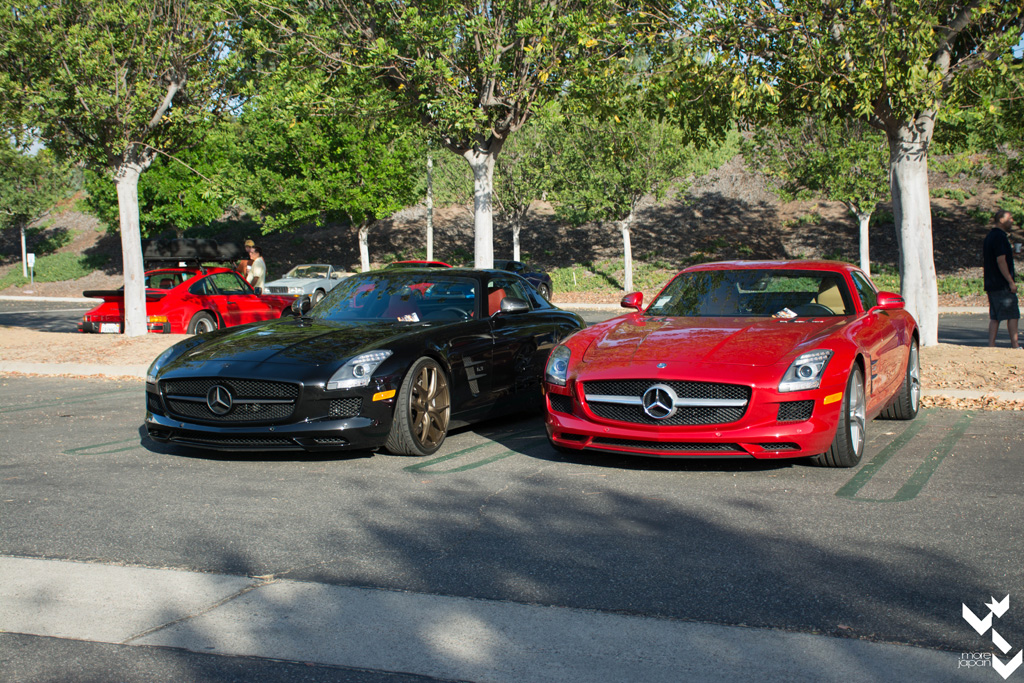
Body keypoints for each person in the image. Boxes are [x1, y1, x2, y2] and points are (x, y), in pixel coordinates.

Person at [982, 209, 1019, 348]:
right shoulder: (1000, 237)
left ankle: (991, 345)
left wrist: (1012, 253)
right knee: (1013, 314)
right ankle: (1015, 345)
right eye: (1010, 218)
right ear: (1001, 220)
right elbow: (1001, 261)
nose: (1012, 221)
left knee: (995, 316)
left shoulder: (990, 236)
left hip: (991, 282)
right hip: (1001, 284)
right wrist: (1010, 282)